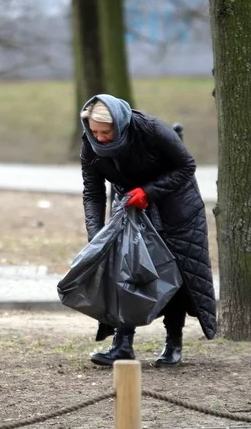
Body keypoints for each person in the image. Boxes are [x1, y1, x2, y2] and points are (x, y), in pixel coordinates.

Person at [80, 94, 216, 368]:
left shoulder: (151, 129)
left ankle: (173, 343)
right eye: (94, 131)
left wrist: (149, 192)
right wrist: (96, 236)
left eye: (105, 132)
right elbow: (92, 192)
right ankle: (122, 345)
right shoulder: (91, 144)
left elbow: (186, 166)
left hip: (176, 209)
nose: (100, 138)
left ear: (119, 125)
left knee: (174, 273)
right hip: (129, 207)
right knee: (124, 270)